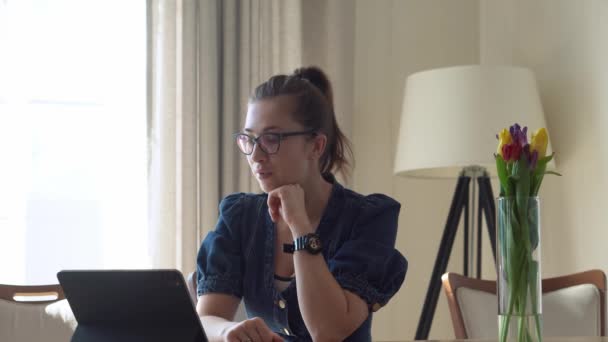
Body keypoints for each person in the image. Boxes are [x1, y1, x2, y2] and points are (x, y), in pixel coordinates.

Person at [195, 66, 407, 342]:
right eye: (249, 139)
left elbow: (327, 331)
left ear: (316, 146)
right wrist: (228, 330)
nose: (256, 155)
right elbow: (207, 319)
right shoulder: (240, 216)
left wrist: (300, 227)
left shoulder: (368, 218)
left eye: (271, 139)